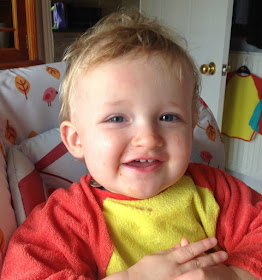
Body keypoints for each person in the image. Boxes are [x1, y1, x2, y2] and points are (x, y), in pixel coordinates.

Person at [1, 10, 262, 280]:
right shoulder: (67, 219)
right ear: (77, 140)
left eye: (168, 117)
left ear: (191, 124)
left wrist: (234, 275)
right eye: (117, 118)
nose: (148, 138)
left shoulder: (217, 191)